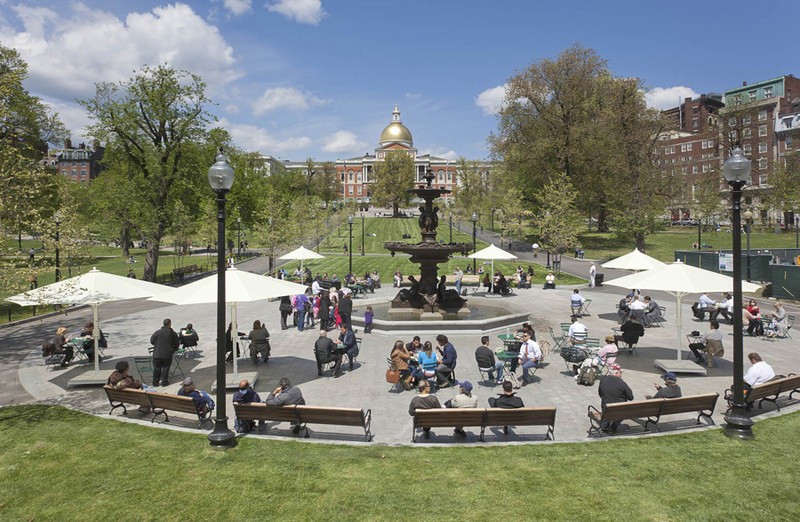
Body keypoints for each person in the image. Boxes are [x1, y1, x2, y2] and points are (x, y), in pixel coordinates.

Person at [597, 365, 634, 432]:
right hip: (620, 412)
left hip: (606, 409)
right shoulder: (622, 383)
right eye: (620, 372)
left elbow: (600, 394)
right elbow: (631, 397)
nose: (621, 374)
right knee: (620, 409)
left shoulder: (603, 380)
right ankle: (614, 424)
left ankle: (607, 424)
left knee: (608, 409)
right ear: (617, 373)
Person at [150, 318, 179, 386]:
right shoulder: (172, 333)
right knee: (165, 368)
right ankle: (164, 382)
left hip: (157, 354)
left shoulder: (157, 332)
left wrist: (158, 345)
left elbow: (152, 341)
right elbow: (177, 343)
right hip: (167, 354)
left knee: (157, 369)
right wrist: (174, 349)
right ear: (170, 324)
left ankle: (155, 382)